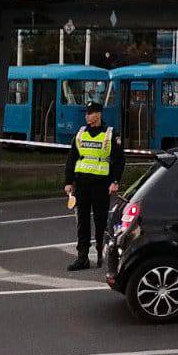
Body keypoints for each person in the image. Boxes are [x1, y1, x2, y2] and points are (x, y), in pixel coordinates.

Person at [63, 102, 125, 271]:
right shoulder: (81, 133)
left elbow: (119, 160)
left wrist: (115, 181)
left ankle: (100, 255)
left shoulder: (110, 134)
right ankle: (82, 258)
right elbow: (72, 158)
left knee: (100, 221)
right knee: (82, 222)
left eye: (90, 113)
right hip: (81, 184)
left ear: (98, 114)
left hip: (101, 184)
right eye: (86, 113)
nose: (86, 116)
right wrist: (69, 182)